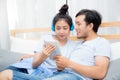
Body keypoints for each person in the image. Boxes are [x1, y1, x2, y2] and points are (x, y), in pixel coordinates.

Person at [0, 9, 111, 80]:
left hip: (74, 77)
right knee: (6, 74)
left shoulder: (101, 43)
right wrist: (34, 56)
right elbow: (61, 56)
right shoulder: (79, 44)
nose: (75, 28)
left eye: (78, 24)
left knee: (8, 75)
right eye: (75, 24)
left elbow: (100, 73)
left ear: (90, 26)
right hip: (57, 75)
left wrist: (69, 64)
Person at [0, 4, 76, 80]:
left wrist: (61, 66)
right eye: (58, 28)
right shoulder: (45, 38)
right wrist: (42, 56)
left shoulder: (73, 46)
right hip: (34, 68)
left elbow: (69, 69)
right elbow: (34, 65)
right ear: (54, 28)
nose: (61, 31)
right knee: (4, 73)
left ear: (71, 28)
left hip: (49, 75)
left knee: (6, 75)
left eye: (65, 28)